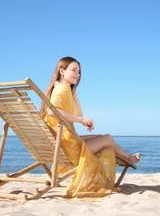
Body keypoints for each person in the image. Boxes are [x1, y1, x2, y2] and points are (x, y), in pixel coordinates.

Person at [40, 56, 139, 199]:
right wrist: (81, 120)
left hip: (62, 144)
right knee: (107, 139)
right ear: (62, 70)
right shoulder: (61, 90)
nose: (77, 74)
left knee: (101, 137)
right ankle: (129, 158)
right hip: (67, 148)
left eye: (79, 72)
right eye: (73, 70)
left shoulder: (62, 89)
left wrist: (74, 91)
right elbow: (52, 111)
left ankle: (127, 157)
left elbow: (79, 113)